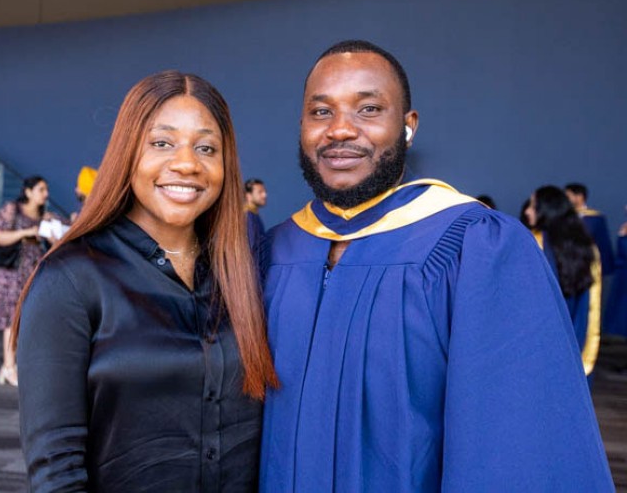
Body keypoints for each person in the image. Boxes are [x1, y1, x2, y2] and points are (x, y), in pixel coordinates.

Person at [259, 40, 614, 492]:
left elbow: (516, 448)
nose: (340, 130)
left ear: (408, 126)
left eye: (368, 109)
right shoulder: (276, 251)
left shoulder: (477, 248)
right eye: (321, 112)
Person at [13, 71, 278, 491]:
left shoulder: (244, 271)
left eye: (207, 148)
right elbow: (57, 471)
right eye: (162, 142)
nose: (187, 163)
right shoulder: (71, 279)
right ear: (127, 153)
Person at [525, 185, 602, 379]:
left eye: (533, 206)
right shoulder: (587, 248)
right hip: (573, 343)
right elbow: (590, 309)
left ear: (546, 210)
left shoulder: (534, 244)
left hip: (537, 346)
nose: (527, 211)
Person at [0, 175, 54, 387]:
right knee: (12, 320)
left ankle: (19, 366)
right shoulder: (13, 209)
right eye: (41, 189)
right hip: (12, 273)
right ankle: (9, 367)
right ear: (28, 191)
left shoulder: (45, 216)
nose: (45, 194)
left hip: (34, 273)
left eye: (46, 190)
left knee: (30, 320)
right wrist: (26, 232)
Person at [565, 182, 615, 275]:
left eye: (568, 196)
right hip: (568, 266)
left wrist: (606, 269)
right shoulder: (562, 217)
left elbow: (602, 243)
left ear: (579, 196)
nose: (565, 200)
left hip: (590, 266)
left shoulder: (596, 218)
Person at [244, 178, 267, 266]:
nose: (264, 195)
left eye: (264, 191)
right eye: (260, 192)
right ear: (248, 196)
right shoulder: (247, 218)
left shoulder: (253, 215)